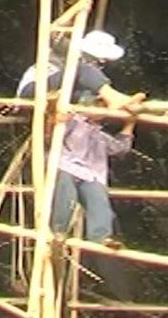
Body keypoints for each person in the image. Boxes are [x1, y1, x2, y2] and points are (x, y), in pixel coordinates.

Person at [51, 92, 136, 247]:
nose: (101, 109)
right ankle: (58, 232)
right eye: (98, 105)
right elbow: (50, 133)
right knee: (65, 196)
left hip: (92, 174)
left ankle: (101, 237)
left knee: (99, 201)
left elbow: (120, 148)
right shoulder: (73, 121)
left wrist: (130, 124)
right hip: (66, 165)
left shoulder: (99, 134)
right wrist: (56, 121)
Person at [17, 30, 146, 111]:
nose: (102, 62)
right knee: (81, 70)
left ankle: (120, 102)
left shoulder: (89, 64)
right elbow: (55, 34)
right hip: (32, 90)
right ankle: (115, 98)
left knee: (91, 97)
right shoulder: (70, 50)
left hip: (56, 95)